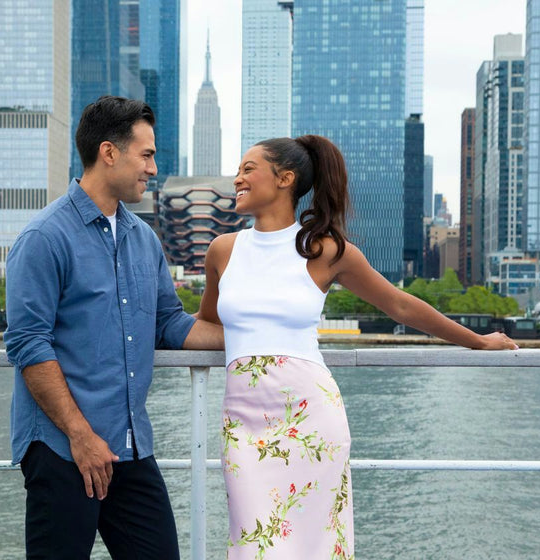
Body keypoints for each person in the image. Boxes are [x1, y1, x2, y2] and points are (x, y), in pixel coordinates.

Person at [196, 135, 518, 559]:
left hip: (311, 420)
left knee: (314, 546)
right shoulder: (223, 251)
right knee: (254, 544)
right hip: (243, 425)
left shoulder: (326, 250)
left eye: (248, 168)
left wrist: (477, 340)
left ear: (285, 179)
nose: (237, 178)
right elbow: (206, 324)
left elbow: (400, 305)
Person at [4, 95, 224, 559]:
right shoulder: (44, 237)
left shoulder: (143, 239)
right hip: (63, 449)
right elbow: (28, 344)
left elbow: (170, 324)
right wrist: (80, 436)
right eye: (146, 154)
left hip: (130, 446)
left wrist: (257, 335)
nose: (153, 167)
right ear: (109, 153)